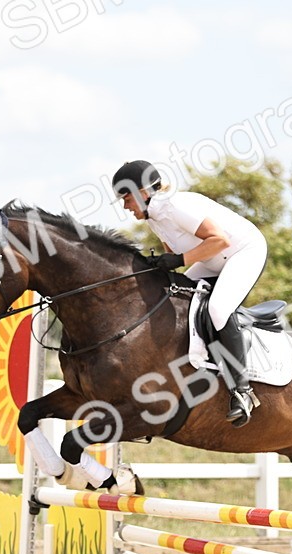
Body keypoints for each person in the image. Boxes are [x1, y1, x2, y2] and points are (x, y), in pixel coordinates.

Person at [111, 160, 267, 427]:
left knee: (217, 309)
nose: (125, 207)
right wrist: (160, 266)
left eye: (126, 199)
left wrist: (179, 260)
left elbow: (220, 240)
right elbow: (174, 256)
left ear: (142, 193)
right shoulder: (154, 218)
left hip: (244, 253)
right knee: (172, 293)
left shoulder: (176, 206)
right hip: (213, 260)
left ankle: (242, 391)